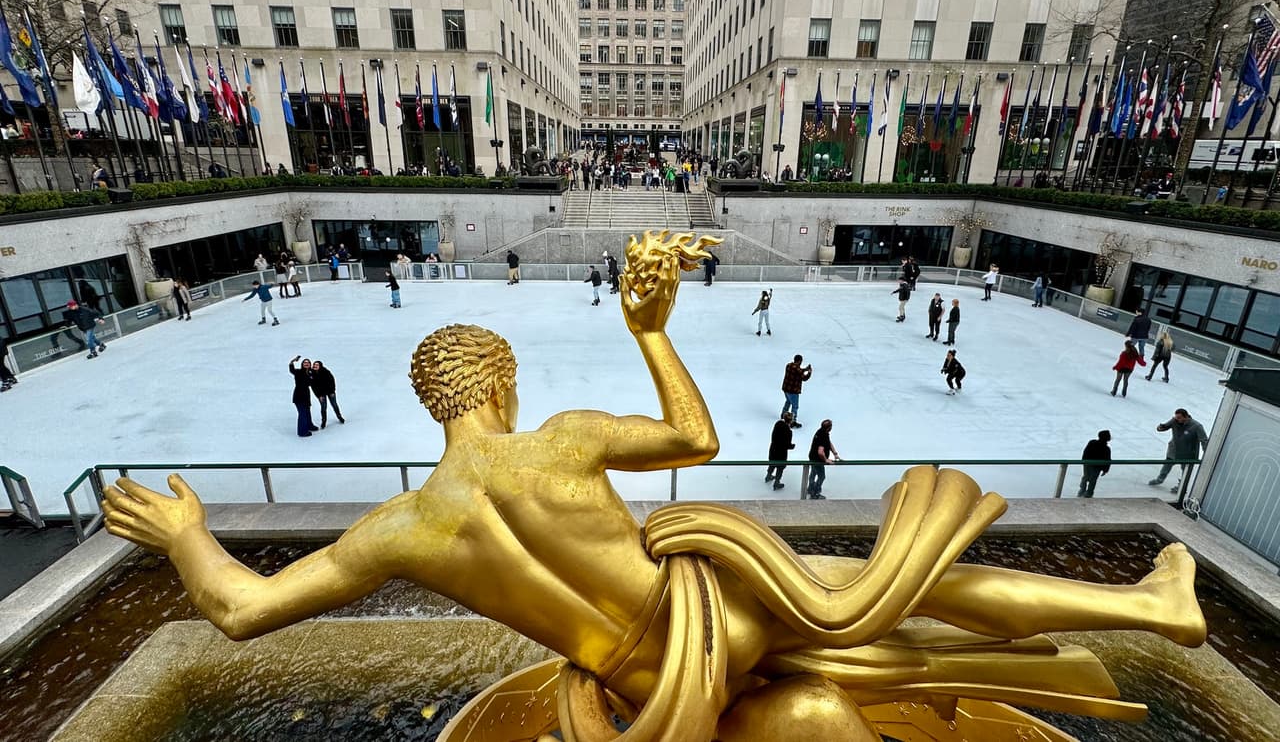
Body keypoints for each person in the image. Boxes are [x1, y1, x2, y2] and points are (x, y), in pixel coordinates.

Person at [102, 231, 1211, 740]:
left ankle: (1138, 614)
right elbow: (695, 432)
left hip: (641, 685)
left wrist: (190, 534)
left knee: (897, 633)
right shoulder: (565, 438)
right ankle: (1145, 608)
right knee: (912, 596)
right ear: (501, 378)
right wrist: (650, 330)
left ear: (434, 401)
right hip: (710, 614)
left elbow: (239, 612)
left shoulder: (399, 528)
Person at [1149, 408, 1209, 493]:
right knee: (1167, 465)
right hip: (1173, 451)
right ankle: (1160, 479)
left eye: (1179, 418)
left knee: (1185, 471)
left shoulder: (1197, 426)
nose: (1177, 419)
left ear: (1186, 417)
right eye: (1176, 417)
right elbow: (1161, 429)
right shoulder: (1174, 422)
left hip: (1188, 453)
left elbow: (1204, 440)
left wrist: (1207, 453)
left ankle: (1181, 488)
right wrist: (1164, 425)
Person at [806, 419, 839, 500]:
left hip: (812, 457)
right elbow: (820, 452)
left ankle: (810, 489)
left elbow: (828, 442)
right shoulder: (823, 435)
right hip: (817, 460)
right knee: (821, 476)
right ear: (829, 428)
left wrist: (835, 453)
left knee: (813, 473)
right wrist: (826, 460)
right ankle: (816, 493)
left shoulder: (822, 432)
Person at [289, 356, 318, 437]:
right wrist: (293, 361)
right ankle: (302, 432)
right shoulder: (298, 372)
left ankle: (309, 426)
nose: (306, 364)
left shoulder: (311, 373)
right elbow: (291, 369)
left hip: (306, 395)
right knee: (302, 413)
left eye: (308, 363)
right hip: (299, 395)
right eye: (305, 362)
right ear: (302, 364)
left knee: (307, 412)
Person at [310, 360, 345, 428]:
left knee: (334, 404)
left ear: (320, 366)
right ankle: (324, 421)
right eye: (314, 365)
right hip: (321, 393)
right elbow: (313, 387)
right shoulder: (312, 374)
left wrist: (332, 391)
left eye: (317, 365)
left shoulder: (326, 371)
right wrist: (319, 396)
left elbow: (332, 381)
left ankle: (339, 416)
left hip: (330, 391)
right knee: (323, 407)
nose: (315, 366)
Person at [765, 411, 795, 490]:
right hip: (781, 453)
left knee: (772, 464)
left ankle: (768, 476)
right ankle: (776, 482)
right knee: (780, 467)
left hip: (773, 449)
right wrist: (792, 446)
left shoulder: (778, 424)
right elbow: (787, 445)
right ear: (791, 420)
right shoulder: (789, 432)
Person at [780, 354, 812, 427]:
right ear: (800, 361)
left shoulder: (788, 365)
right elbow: (804, 378)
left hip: (786, 389)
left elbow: (798, 370)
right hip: (793, 391)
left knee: (788, 401)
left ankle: (783, 414)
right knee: (795, 406)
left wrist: (805, 369)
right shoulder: (798, 370)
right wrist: (809, 372)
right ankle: (792, 421)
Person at [1078, 430, 1112, 498]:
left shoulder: (1092, 443)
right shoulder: (1106, 449)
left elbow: (1085, 452)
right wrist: (1105, 469)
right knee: (1092, 479)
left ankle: (1083, 491)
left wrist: (1084, 461)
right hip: (1096, 466)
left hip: (1088, 464)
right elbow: (1107, 460)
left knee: (1086, 477)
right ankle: (1088, 493)